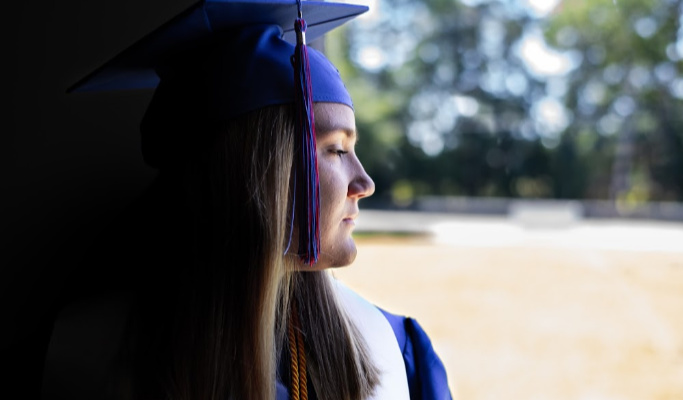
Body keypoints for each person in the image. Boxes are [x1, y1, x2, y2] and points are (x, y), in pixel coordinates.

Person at [43, 1, 451, 399]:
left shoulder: (390, 348)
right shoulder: (86, 354)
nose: (364, 182)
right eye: (336, 150)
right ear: (254, 174)